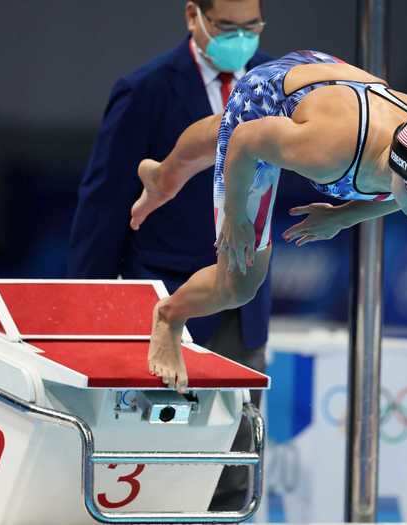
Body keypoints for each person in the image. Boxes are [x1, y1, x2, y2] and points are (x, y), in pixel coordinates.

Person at [130, 49, 407, 393]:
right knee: (239, 283)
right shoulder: (327, 153)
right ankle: (169, 316)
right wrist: (235, 215)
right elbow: (244, 141)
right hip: (274, 93)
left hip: (333, 80)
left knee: (226, 129)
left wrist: (343, 216)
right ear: (394, 166)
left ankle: (161, 176)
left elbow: (404, 197)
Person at [67, 0, 272, 511]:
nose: (241, 39)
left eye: (252, 28)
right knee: (154, 464)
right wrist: (88, 307)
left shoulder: (275, 87)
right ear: (193, 17)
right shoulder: (146, 89)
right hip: (163, 297)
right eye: (228, 27)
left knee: (236, 465)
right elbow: (105, 201)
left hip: (241, 301)